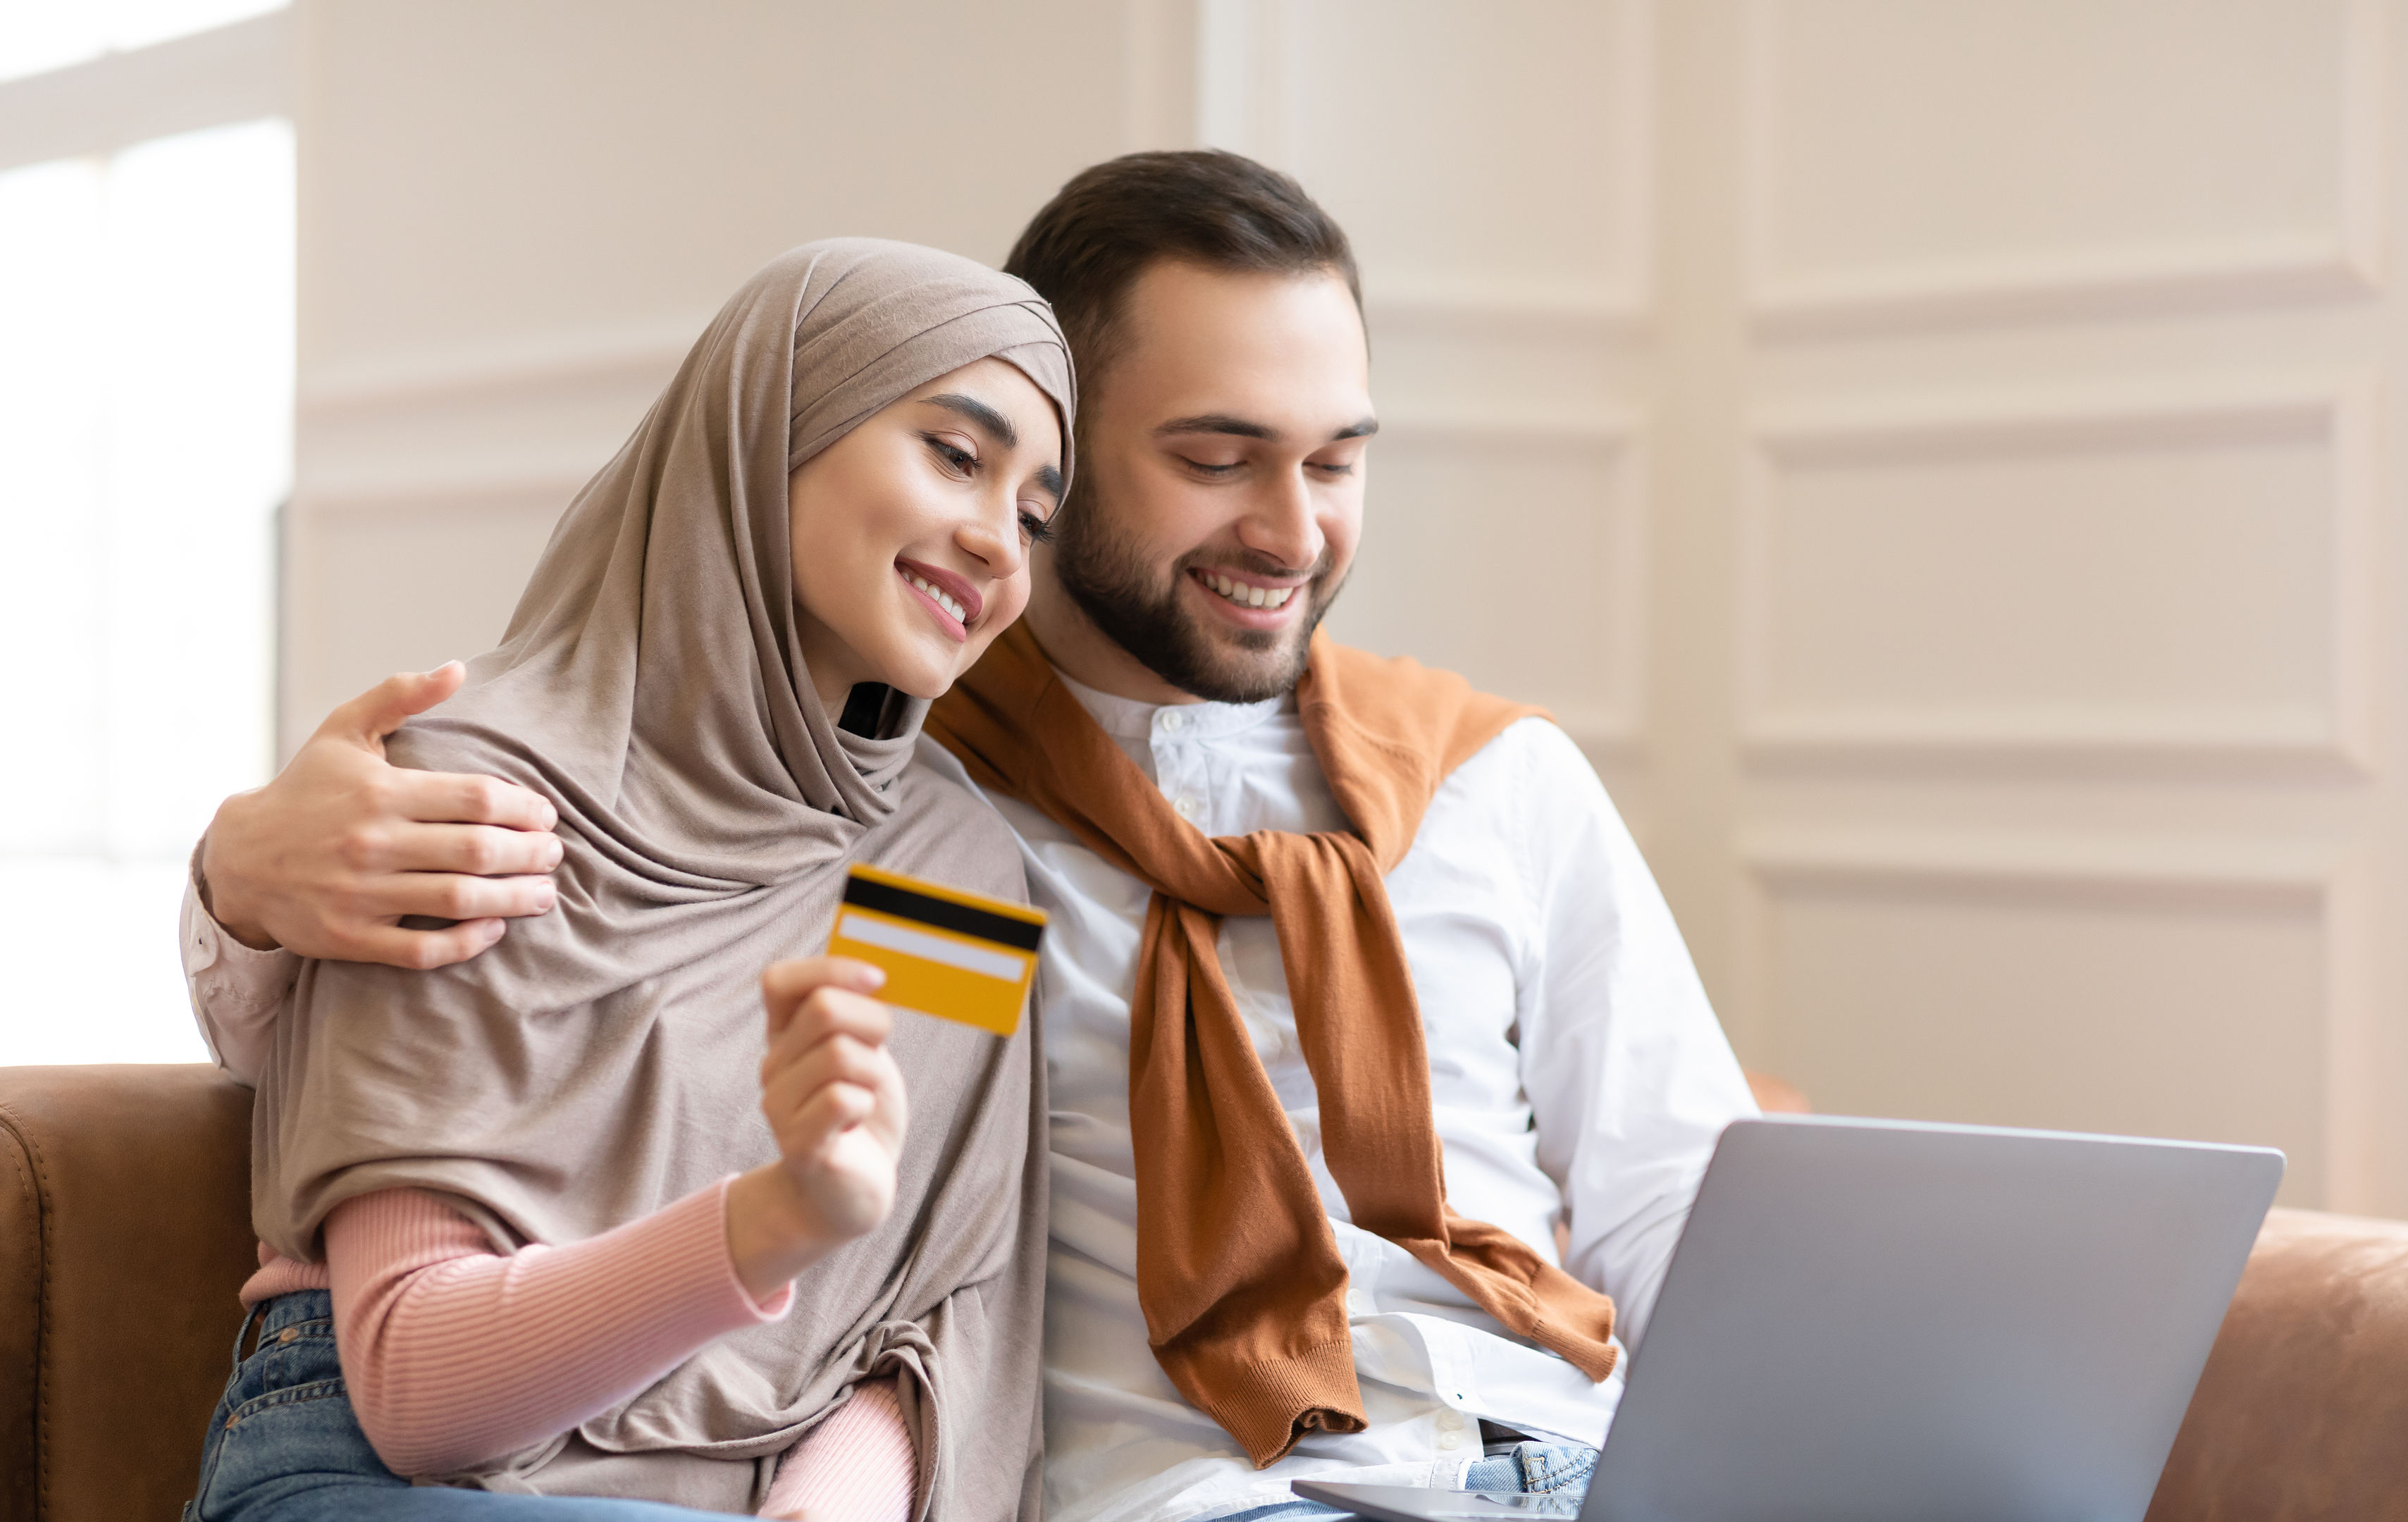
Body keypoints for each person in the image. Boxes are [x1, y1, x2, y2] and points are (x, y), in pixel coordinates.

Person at [184, 152, 1757, 1522]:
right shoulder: (931, 816)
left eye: (1337, 462)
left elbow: (1686, 1208)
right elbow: (686, 1147)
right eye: (1215, 460)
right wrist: (239, 886)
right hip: (1197, 1495)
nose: (1292, 529)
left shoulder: (1476, 785)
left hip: (1565, 1459)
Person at [190, 240, 1073, 1522]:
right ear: (771, 428)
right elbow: (418, 1391)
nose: (999, 543)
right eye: (954, 453)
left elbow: (936, 1327)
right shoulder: (476, 788)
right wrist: (774, 1220)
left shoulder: (955, 876)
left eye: (1037, 514)